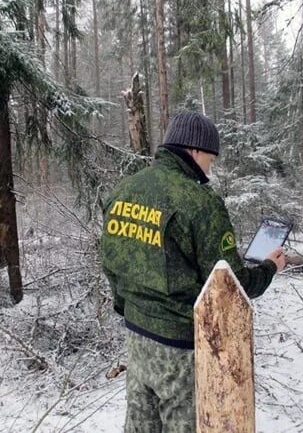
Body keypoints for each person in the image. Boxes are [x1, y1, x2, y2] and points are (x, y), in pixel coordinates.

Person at [100, 110, 286, 432]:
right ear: (195, 150)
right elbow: (234, 286)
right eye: (211, 159)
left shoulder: (124, 190)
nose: (209, 169)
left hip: (136, 336)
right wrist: (270, 267)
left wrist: (130, 308)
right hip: (181, 349)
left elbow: (112, 263)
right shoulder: (200, 203)